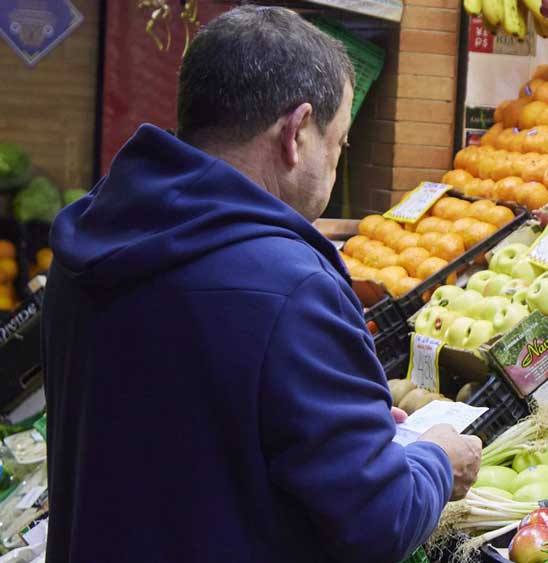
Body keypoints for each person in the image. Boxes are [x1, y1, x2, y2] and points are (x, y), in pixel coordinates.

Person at [41, 6, 481, 563]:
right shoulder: (292, 288)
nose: (337, 160)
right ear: (297, 133)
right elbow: (379, 519)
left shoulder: (84, 242)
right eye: (340, 142)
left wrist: (348, 428)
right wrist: (436, 460)